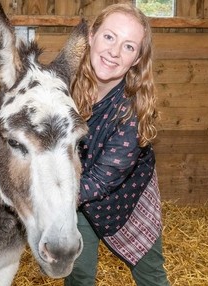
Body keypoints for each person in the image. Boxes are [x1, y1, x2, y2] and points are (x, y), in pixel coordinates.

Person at [63, 3, 169, 286]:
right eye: (109, 37)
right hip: (77, 194)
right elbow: (26, 99)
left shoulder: (132, 109)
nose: (114, 52)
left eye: (129, 46)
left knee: (151, 276)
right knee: (79, 274)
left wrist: (49, 198)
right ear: (91, 37)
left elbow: (100, 181)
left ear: (136, 59)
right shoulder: (65, 80)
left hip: (127, 199)